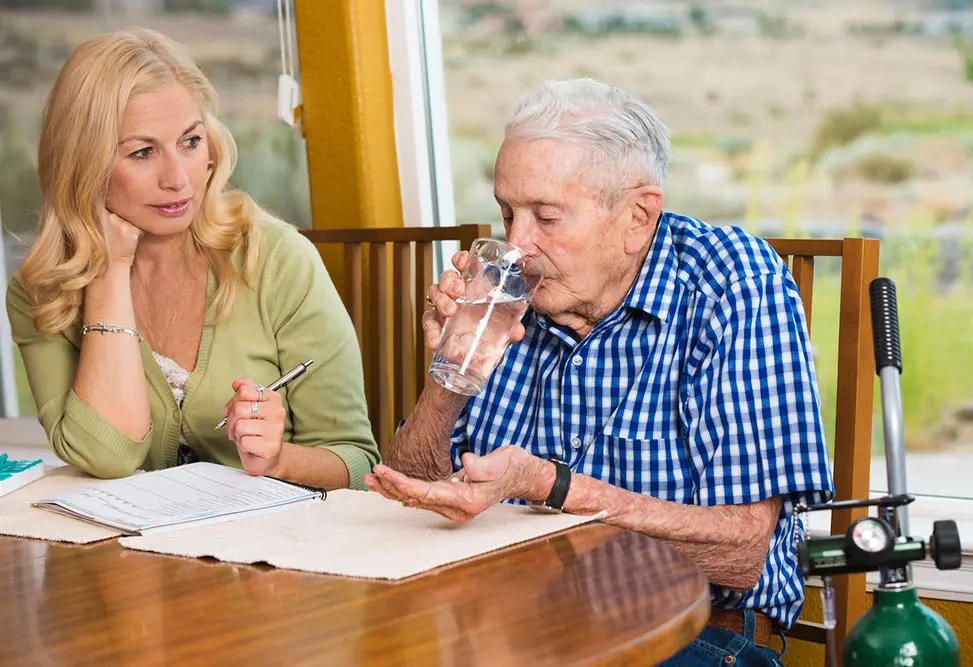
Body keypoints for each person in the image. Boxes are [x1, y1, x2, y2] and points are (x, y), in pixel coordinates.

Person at [365, 78, 833, 666]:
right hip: (498, 619)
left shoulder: (730, 284)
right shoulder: (509, 296)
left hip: (681, 631)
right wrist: (447, 381)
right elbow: (404, 497)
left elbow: (745, 552)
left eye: (547, 217)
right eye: (507, 213)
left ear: (638, 215)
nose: (516, 246)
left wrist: (547, 486)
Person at [6, 28, 378, 490]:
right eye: (142, 152)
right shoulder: (42, 291)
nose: (179, 178)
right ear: (83, 165)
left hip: (275, 550)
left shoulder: (279, 260)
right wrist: (108, 271)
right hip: (130, 555)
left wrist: (280, 459)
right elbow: (107, 454)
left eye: (190, 141)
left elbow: (358, 464)